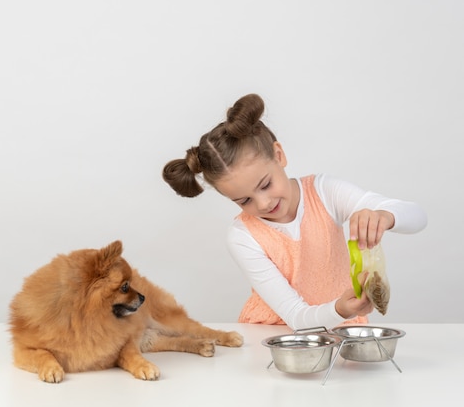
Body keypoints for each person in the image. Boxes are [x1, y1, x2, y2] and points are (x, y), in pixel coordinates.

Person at [162, 93, 427, 330]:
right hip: (273, 334)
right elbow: (295, 315)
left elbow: (417, 217)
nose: (263, 204)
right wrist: (339, 309)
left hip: (340, 326)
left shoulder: (324, 192)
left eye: (265, 185)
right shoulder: (243, 237)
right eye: (244, 200)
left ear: (279, 155)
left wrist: (384, 216)